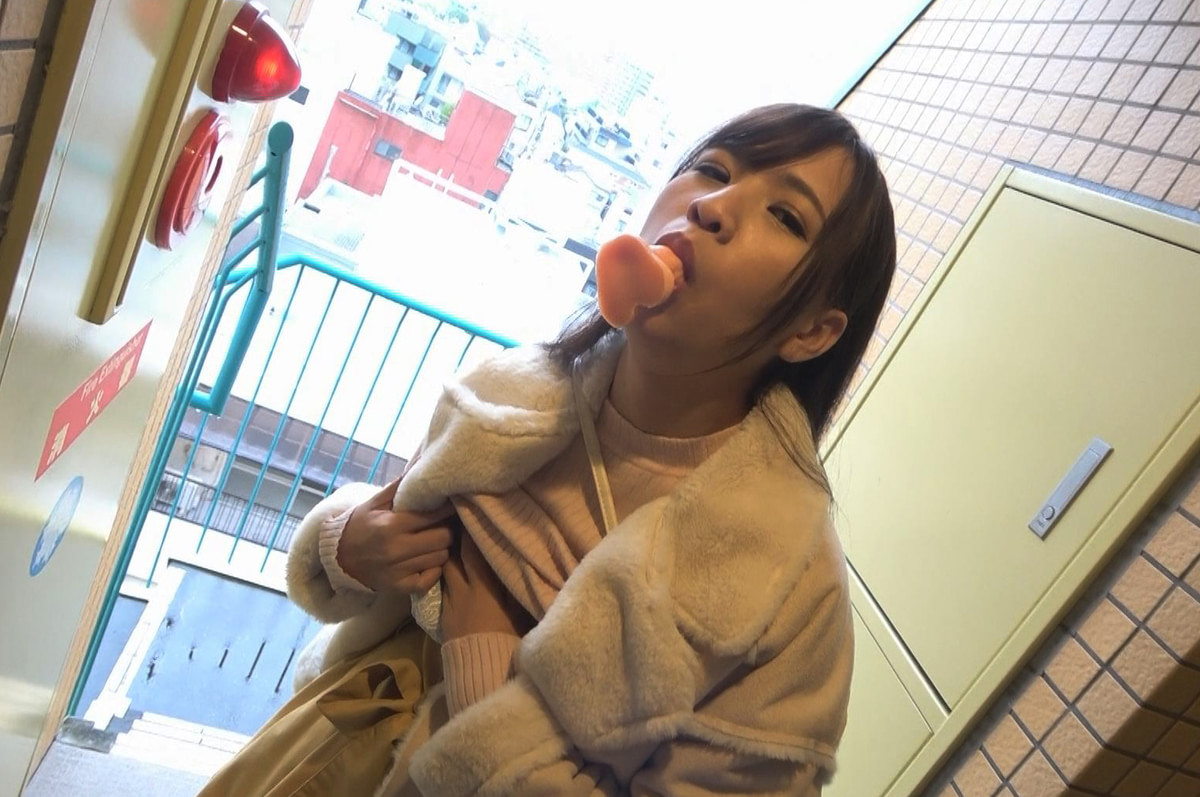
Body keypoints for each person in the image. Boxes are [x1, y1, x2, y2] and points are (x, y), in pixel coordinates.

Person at [200, 102, 896, 796]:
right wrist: (349, 545)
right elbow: (391, 526)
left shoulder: (791, 596)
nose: (711, 206)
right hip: (315, 757)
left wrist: (480, 662)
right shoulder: (512, 390)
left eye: (786, 216)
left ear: (811, 332)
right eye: (713, 170)